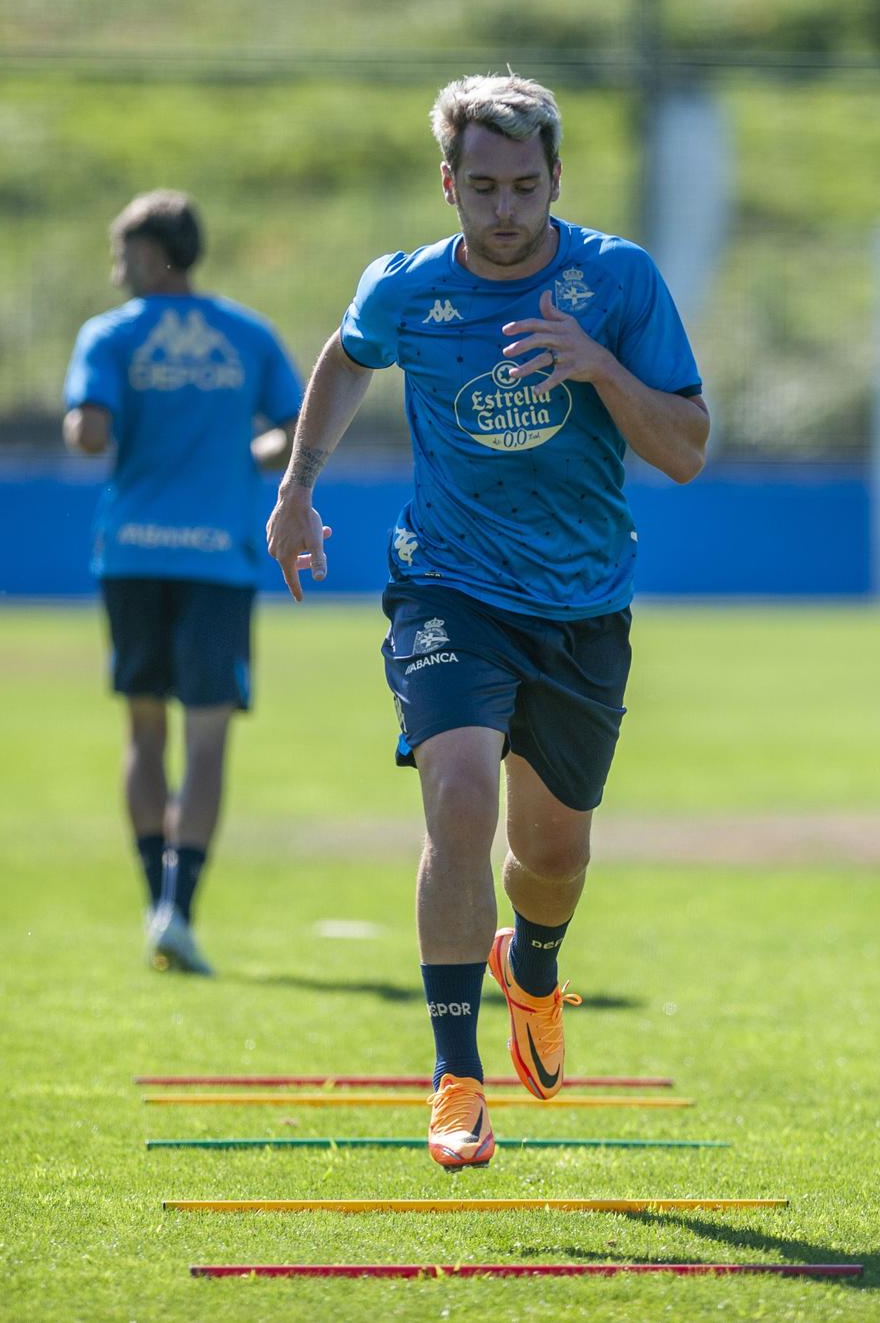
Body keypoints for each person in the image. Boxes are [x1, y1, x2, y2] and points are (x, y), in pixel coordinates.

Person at [265, 75, 708, 1167]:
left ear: (555, 177)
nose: (503, 210)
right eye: (481, 187)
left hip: (581, 604)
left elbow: (686, 450)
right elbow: (345, 355)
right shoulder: (406, 287)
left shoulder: (616, 281)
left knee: (550, 855)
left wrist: (597, 364)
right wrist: (296, 488)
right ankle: (454, 1076)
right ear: (448, 183)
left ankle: (537, 962)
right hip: (448, 585)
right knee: (458, 800)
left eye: (523, 186)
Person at [64, 190, 304, 975]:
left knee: (144, 731)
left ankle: (152, 900)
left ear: (156, 253)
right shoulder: (247, 334)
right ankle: (180, 905)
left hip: (132, 553)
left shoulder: (110, 335)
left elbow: (87, 434)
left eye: (122, 250)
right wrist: (248, 455)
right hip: (216, 558)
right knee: (207, 739)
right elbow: (299, 426)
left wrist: (103, 419)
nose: (114, 266)